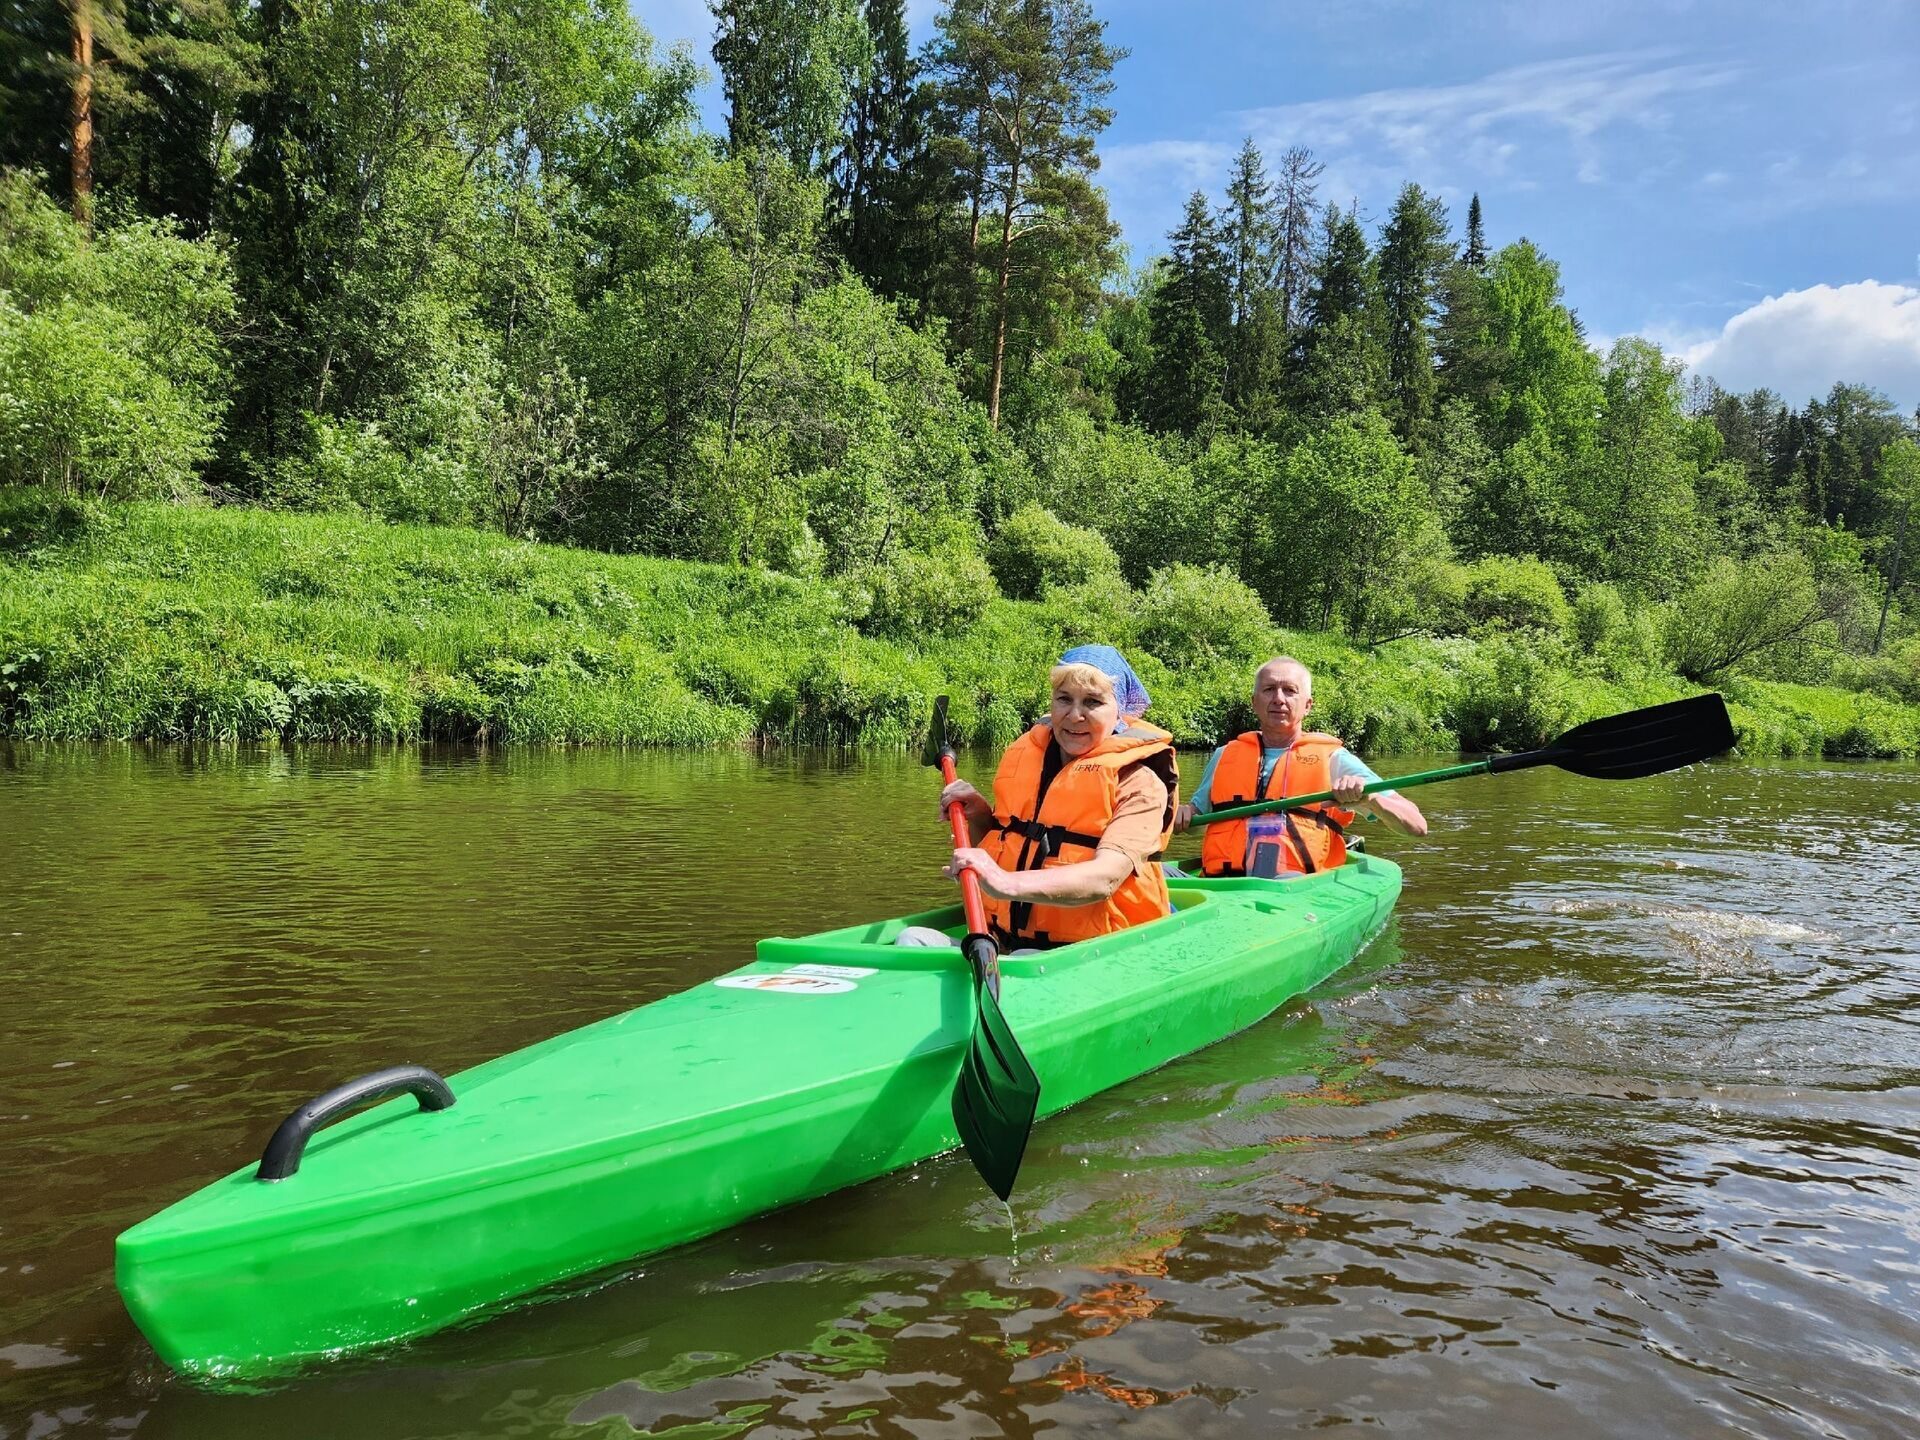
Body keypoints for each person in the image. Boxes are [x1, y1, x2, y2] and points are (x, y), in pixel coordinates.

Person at [934, 645, 1180, 950]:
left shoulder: (1140, 783)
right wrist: (980, 815)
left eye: (1092, 702)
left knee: (1025, 956)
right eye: (1064, 699)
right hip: (1005, 939)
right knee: (911, 939)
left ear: (1119, 711)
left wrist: (1005, 883)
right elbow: (1011, 842)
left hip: (1099, 950)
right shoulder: (1029, 759)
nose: (1074, 715)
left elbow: (1105, 878)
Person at [1173, 656, 1426, 877]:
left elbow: (1416, 826)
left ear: (1307, 705)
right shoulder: (1224, 755)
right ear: (1254, 702)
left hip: (1295, 884)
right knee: (1146, 876)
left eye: (1290, 691)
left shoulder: (1334, 759)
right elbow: (1200, 825)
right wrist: (1184, 816)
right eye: (1269, 689)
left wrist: (1371, 801)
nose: (1278, 699)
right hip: (1222, 881)